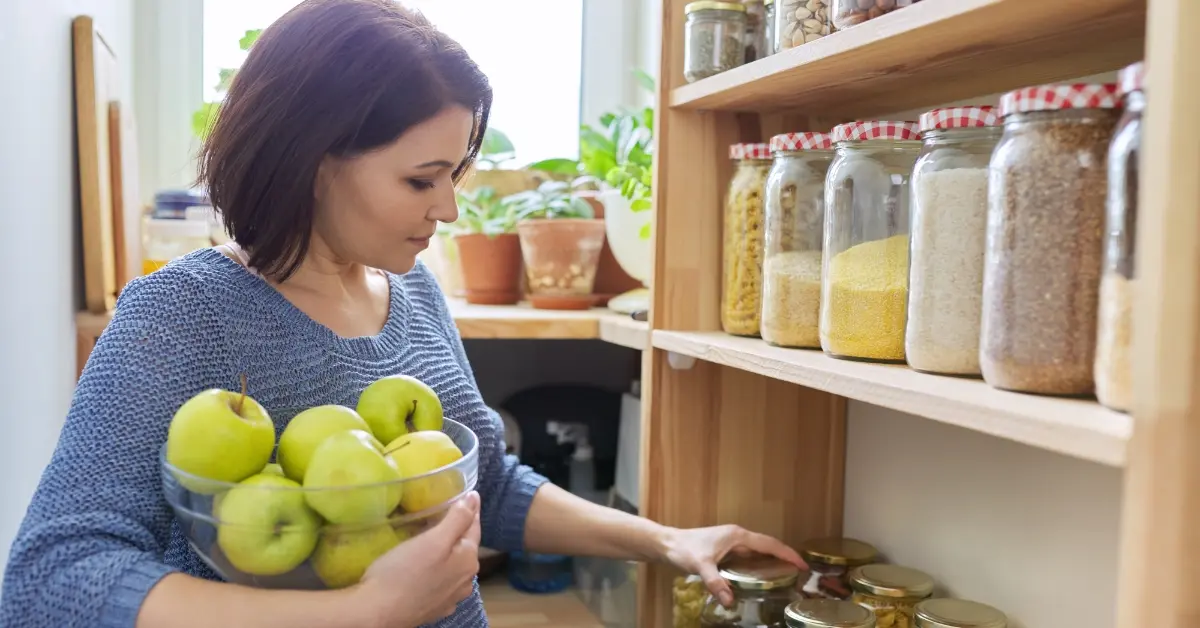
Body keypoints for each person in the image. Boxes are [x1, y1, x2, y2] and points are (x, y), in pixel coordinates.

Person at [0, 1, 804, 626]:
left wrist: (668, 540)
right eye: (422, 180)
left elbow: (481, 483)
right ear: (314, 161)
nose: (450, 208)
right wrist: (359, 613)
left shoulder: (414, 294)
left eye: (456, 173)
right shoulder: (178, 315)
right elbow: (50, 580)